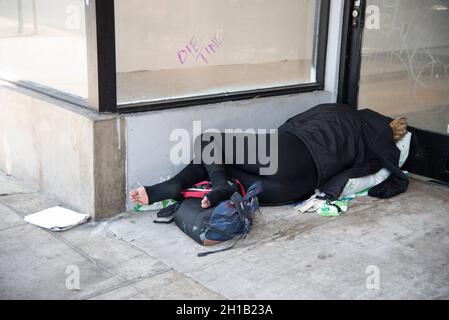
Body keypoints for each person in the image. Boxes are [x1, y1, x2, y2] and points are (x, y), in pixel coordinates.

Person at [130, 104, 409, 209]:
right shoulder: (374, 150)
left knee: (209, 142)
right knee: (218, 161)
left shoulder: (343, 112)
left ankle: (196, 186)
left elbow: (295, 122)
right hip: (287, 190)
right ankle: (210, 186)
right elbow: (360, 176)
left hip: (289, 153)